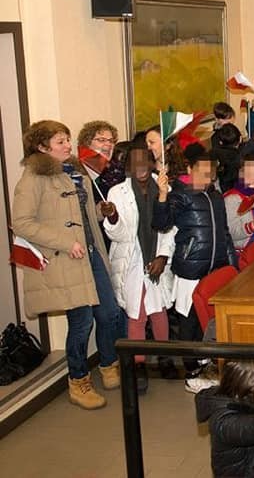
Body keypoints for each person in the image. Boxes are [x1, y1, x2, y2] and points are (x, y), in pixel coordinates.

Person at [12, 120, 126, 409]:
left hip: (91, 253)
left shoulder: (76, 171)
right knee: (82, 321)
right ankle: (78, 380)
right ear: (41, 146)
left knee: (110, 313)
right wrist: (64, 241)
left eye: (67, 139)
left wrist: (102, 212)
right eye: (60, 141)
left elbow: (84, 215)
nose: (67, 145)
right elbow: (21, 223)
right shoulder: (32, 178)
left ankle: (109, 365)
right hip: (66, 259)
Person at [154, 150, 237, 387]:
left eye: (210, 173)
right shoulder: (180, 194)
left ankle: (207, 362)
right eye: (202, 172)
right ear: (190, 169)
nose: (206, 178)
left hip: (216, 267)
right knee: (188, 318)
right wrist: (162, 196)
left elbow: (225, 233)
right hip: (191, 267)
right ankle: (191, 367)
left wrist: (232, 267)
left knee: (209, 320)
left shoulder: (216, 196)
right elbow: (161, 223)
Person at [103, 139, 177, 393]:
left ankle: (165, 357)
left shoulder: (163, 185)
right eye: (134, 162)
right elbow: (120, 235)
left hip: (157, 258)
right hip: (132, 261)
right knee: (137, 314)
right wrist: (112, 216)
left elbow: (169, 227)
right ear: (128, 167)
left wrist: (163, 257)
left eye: (144, 160)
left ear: (151, 162)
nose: (140, 166)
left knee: (159, 311)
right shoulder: (116, 193)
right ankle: (138, 367)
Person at [77, 120, 125, 199]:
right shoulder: (79, 173)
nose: (108, 144)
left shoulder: (120, 171)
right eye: (101, 140)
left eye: (111, 141)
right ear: (87, 143)